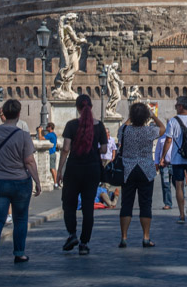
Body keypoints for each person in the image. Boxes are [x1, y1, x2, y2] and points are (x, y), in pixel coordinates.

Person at [0, 99, 41, 269]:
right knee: (20, 219)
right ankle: (19, 253)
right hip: (20, 182)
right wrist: (37, 181)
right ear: (19, 114)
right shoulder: (22, 135)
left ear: (3, 114)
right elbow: (29, 161)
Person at [57, 94, 108, 255]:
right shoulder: (99, 126)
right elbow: (105, 149)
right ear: (91, 107)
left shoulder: (71, 125)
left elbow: (66, 148)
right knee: (88, 208)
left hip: (73, 169)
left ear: (77, 108)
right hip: (93, 169)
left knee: (68, 204)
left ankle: (72, 234)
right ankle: (84, 244)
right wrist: (93, 150)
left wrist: (59, 171)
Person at [118, 102, 165, 248]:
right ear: (145, 117)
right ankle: (146, 237)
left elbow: (123, 127)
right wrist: (153, 116)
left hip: (128, 170)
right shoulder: (149, 131)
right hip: (146, 170)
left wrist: (131, 117)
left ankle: (124, 237)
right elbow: (163, 128)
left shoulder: (124, 130)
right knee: (146, 204)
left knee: (126, 204)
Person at [155, 134, 173, 209]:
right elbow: (157, 151)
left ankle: (181, 200)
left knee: (178, 184)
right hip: (164, 165)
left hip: (175, 164)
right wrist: (156, 162)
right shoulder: (161, 139)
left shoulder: (176, 137)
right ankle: (167, 203)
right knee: (166, 185)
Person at [38, 122, 59, 188]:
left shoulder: (50, 135)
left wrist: (39, 131)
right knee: (53, 168)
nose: (46, 128)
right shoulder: (54, 134)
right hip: (54, 152)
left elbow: (40, 138)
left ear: (50, 127)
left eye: (47, 127)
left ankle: (55, 183)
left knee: (52, 168)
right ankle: (56, 182)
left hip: (51, 153)